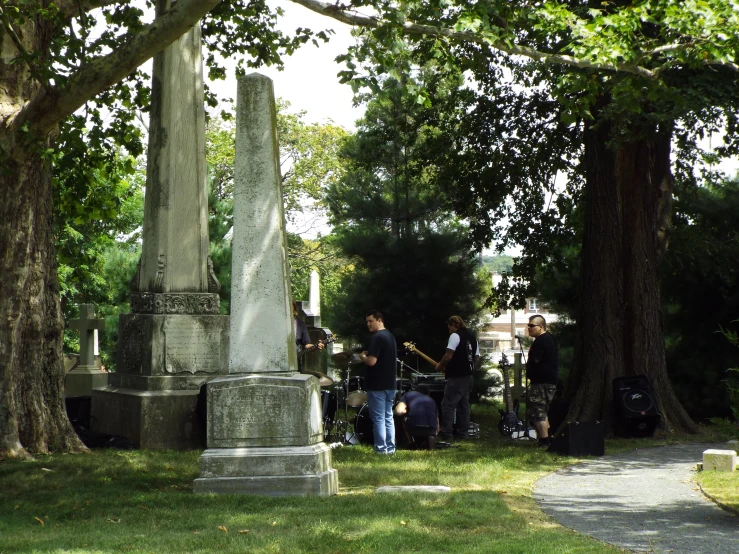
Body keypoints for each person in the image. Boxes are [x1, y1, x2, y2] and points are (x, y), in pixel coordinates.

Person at [435, 315, 480, 443]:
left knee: (448, 404)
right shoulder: (472, 338)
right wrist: (471, 371)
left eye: (449, 326)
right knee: (463, 405)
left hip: (456, 376)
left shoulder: (455, 336)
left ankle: (446, 434)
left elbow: (448, 355)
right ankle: (463, 434)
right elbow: (477, 359)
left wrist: (440, 366)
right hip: (468, 376)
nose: (448, 329)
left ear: (454, 324)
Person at [359, 310, 397, 454]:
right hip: (390, 383)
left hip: (377, 385)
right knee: (388, 417)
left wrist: (363, 356)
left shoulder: (377, 337)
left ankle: (381, 449)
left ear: (379, 320)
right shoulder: (390, 336)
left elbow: (371, 361)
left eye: (371, 321)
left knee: (379, 418)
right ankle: (390, 448)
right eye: (367, 322)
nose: (368, 324)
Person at [526, 314, 559, 447]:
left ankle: (544, 441)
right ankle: (549, 438)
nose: (529, 328)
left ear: (541, 327)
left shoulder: (540, 341)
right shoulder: (549, 338)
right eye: (528, 325)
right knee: (544, 411)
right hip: (548, 381)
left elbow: (536, 360)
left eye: (532, 326)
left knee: (538, 412)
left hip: (541, 382)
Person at [394, 383, 439, 450]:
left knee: (398, 416)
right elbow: (438, 427)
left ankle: (410, 442)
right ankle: (429, 438)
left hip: (414, 427)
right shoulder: (431, 400)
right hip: (431, 429)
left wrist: (407, 410)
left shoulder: (408, 395)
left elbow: (400, 411)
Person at [293, 301, 323, 372]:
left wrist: (316, 346)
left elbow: (306, 345)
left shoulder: (300, 324)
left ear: (294, 309)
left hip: (295, 363)